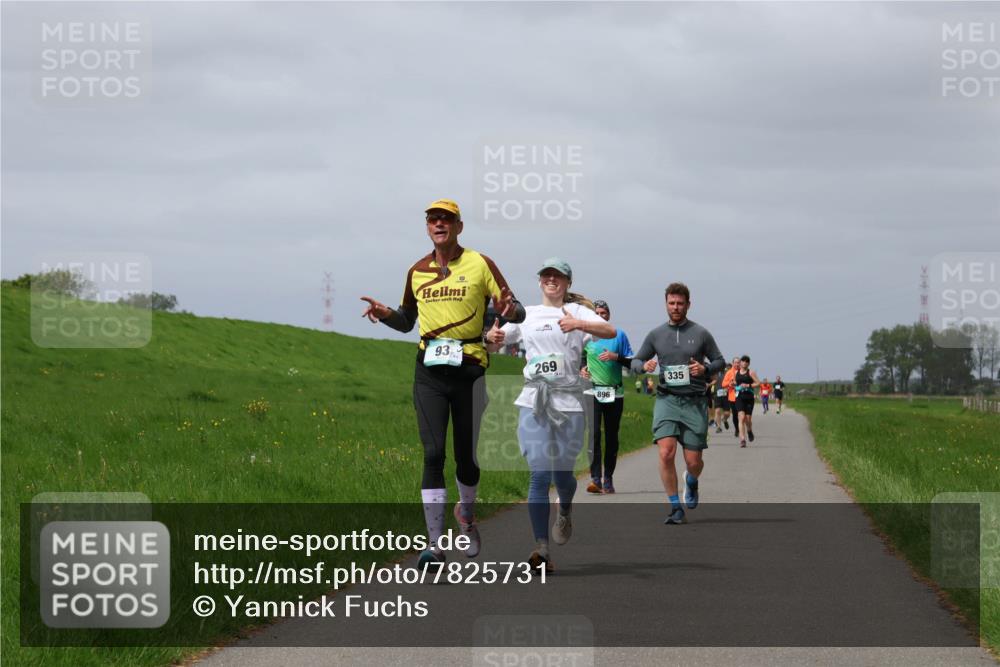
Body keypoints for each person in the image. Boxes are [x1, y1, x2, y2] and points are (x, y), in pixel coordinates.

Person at [361, 198, 525, 569]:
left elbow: (517, 310)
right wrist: (386, 314)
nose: (439, 224)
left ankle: (466, 513)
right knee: (433, 453)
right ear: (427, 227)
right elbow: (407, 321)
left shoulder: (480, 263)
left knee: (466, 458)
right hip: (429, 373)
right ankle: (434, 546)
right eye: (433, 219)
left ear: (458, 227)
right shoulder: (417, 271)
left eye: (446, 220)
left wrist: (508, 310)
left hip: (469, 370)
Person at [485, 258, 615, 573]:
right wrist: (492, 338)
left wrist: (579, 324)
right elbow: (494, 344)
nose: (551, 280)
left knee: (563, 476)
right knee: (539, 474)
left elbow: (609, 330)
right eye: (546, 276)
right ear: (540, 281)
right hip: (534, 401)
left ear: (568, 282)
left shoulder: (577, 312)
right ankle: (541, 548)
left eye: (557, 276)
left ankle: (565, 509)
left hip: (569, 403)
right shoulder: (526, 314)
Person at [628, 283, 725, 525]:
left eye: (680, 303)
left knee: (694, 462)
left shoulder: (701, 333)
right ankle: (675, 507)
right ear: (666, 304)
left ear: (688, 305)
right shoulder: (656, 335)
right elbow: (635, 361)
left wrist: (705, 369)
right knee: (666, 452)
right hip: (667, 399)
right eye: (671, 303)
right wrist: (644, 366)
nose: (676, 307)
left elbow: (719, 361)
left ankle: (691, 481)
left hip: (694, 402)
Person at [579, 299, 633, 494]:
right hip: (591, 392)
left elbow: (631, 362)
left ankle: (608, 477)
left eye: (604, 313)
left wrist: (615, 356)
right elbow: (578, 358)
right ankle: (595, 478)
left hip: (614, 393)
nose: (601, 316)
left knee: (611, 436)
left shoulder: (619, 335)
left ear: (609, 315)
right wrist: (581, 368)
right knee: (594, 434)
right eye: (597, 313)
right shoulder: (585, 336)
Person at [733, 355, 761, 448]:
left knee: (748, 419)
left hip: (749, 397)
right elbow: (735, 383)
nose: (744, 363)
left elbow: (758, 383)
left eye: (746, 361)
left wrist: (748, 385)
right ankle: (742, 439)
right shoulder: (736, 372)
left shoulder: (751, 372)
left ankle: (749, 430)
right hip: (739, 397)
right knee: (741, 417)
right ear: (740, 362)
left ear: (748, 364)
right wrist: (733, 384)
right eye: (743, 361)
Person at [722, 358, 741, 440]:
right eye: (735, 362)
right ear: (733, 363)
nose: (737, 364)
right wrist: (730, 383)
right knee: (735, 415)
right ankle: (737, 429)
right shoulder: (729, 372)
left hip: (742, 396)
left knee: (742, 414)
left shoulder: (743, 371)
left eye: (738, 362)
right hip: (732, 397)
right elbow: (723, 384)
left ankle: (741, 429)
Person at [713, 365, 731, 433]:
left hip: (726, 395)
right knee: (717, 411)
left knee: (727, 413)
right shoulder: (715, 373)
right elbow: (713, 380)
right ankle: (719, 427)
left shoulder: (728, 374)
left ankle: (724, 419)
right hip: (717, 394)